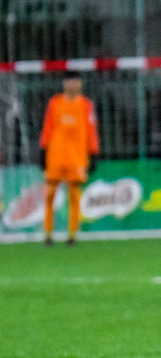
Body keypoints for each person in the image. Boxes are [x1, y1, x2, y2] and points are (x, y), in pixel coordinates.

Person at [38, 73, 99, 246]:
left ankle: (72, 235)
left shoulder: (86, 105)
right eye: (69, 81)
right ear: (64, 83)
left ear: (80, 84)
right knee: (49, 194)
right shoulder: (55, 102)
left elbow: (91, 129)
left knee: (74, 196)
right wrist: (43, 149)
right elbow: (48, 126)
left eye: (76, 81)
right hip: (56, 155)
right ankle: (48, 234)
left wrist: (93, 152)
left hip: (77, 157)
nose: (72, 85)